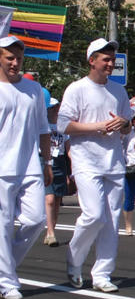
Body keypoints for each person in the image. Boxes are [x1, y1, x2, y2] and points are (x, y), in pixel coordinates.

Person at [57, 38, 132, 292]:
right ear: (92, 60)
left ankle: (102, 274)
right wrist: (97, 126)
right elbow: (63, 125)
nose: (110, 64)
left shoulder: (119, 91)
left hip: (113, 162)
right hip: (86, 160)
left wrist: (122, 123)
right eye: (105, 59)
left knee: (111, 221)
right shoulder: (76, 89)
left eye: (112, 59)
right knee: (94, 215)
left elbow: (128, 125)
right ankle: (75, 259)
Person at [0, 36, 52, 299]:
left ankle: (5, 267)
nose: (15, 63)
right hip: (2, 168)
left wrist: (47, 161)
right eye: (10, 57)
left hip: (30, 164)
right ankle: (7, 281)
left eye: (19, 58)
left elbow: (44, 128)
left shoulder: (34, 90)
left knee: (36, 220)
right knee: (3, 225)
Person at [44, 96, 69, 247]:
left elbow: (68, 149)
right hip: (46, 161)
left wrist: (73, 166)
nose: (54, 110)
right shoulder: (43, 125)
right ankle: (51, 233)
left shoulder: (62, 127)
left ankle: (50, 231)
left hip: (60, 162)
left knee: (58, 199)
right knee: (50, 199)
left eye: (56, 108)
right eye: (52, 108)